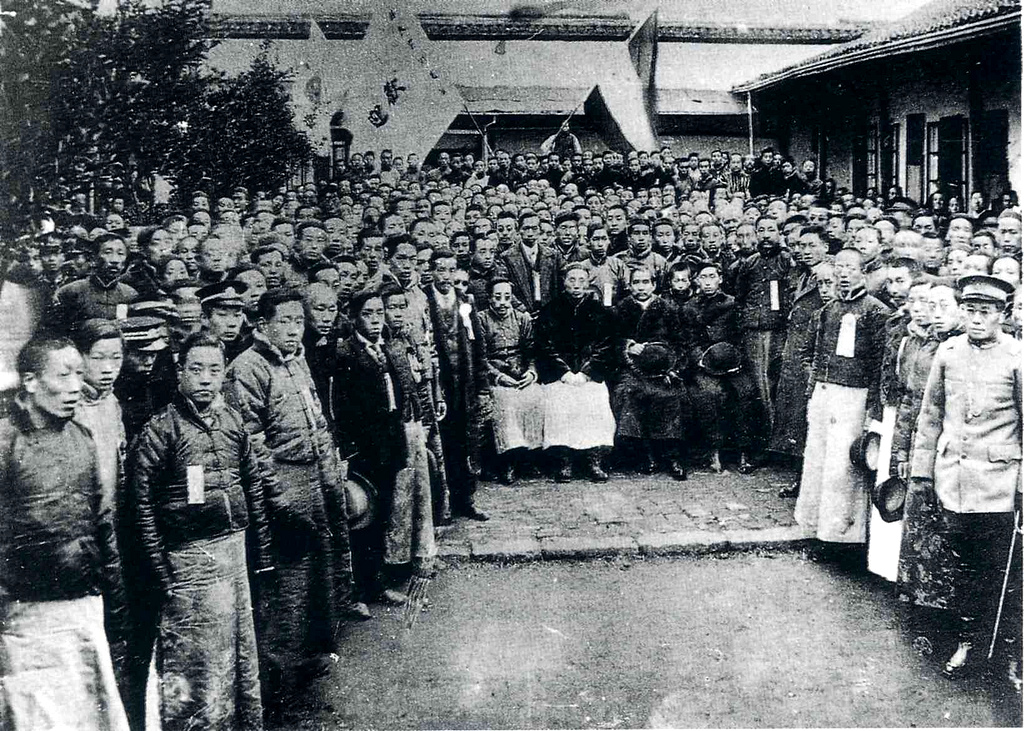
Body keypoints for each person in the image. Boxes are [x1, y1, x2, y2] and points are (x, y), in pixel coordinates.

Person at [225, 287, 367, 707]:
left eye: (298, 321)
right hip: (283, 482)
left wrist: (330, 470)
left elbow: (317, 421)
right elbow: (252, 441)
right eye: (284, 321)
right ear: (262, 324)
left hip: (315, 477)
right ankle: (277, 679)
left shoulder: (297, 361)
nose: (293, 329)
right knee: (288, 580)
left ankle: (307, 659)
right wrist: (277, 495)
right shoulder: (247, 368)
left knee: (319, 572)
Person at [128, 333, 275, 728]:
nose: (206, 379)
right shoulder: (161, 430)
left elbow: (253, 486)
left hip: (234, 554)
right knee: (197, 661)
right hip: (189, 561)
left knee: (238, 654)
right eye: (196, 369)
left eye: (214, 369)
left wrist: (262, 553)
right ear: (180, 372)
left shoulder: (232, 421)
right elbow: (141, 507)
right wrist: (161, 573)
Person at [0, 337, 129, 730]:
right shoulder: (5, 443)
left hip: (82, 606)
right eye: (63, 375)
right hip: (25, 617)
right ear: (31, 381)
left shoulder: (82, 438)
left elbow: (101, 522)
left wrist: (115, 600)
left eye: (79, 374)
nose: (76, 386)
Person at [909, 274, 1021, 683]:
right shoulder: (949, 351)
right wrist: (922, 472)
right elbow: (931, 416)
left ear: (1002, 315)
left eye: (985, 312)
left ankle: (1010, 650)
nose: (976, 319)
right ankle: (968, 641)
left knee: (1005, 572)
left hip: (999, 485)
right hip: (953, 482)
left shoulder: (1017, 357)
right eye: (970, 310)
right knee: (964, 568)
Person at [333, 290, 435, 605]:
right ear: (354, 318)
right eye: (368, 314)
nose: (376, 320)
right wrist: (349, 450)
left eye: (379, 313)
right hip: (363, 449)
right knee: (362, 517)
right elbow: (341, 407)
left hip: (390, 444)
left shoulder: (388, 349)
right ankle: (358, 591)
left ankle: (377, 583)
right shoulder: (346, 354)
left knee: (383, 515)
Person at [795, 248, 891, 550]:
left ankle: (844, 536)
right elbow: (813, 354)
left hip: (854, 397)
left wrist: (873, 408)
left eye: (850, 268)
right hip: (825, 394)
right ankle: (818, 529)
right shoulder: (827, 309)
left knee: (844, 467)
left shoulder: (876, 311)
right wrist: (813, 390)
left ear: (863, 272)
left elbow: (879, 365)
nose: (844, 274)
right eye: (839, 267)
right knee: (818, 461)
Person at [534, 263, 617, 482]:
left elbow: (605, 346)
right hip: (559, 375)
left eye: (581, 280)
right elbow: (544, 346)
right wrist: (564, 373)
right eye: (572, 280)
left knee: (596, 399)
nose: (577, 285)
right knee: (558, 401)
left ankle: (594, 459)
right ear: (563, 282)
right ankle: (564, 460)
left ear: (588, 283)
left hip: (590, 375)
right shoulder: (550, 310)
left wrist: (587, 372)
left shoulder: (600, 312)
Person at [424, 249, 491, 522]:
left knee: (467, 443)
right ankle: (444, 503)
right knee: (443, 445)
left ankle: (467, 500)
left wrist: (482, 387)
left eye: (451, 270)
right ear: (431, 271)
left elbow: (478, 346)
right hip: (438, 385)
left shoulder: (465, 301)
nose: (446, 276)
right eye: (441, 269)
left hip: (464, 383)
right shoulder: (424, 301)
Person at [682, 260, 766, 473]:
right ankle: (714, 451)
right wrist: (701, 360)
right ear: (696, 281)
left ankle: (744, 451)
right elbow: (688, 341)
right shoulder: (689, 307)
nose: (708, 282)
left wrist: (735, 359)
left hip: (731, 363)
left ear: (720, 279)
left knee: (746, 392)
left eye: (712, 277)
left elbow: (741, 336)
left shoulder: (732, 304)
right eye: (703, 277)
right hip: (704, 364)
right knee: (709, 394)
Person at [613, 266, 689, 480]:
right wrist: (628, 346)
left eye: (645, 282)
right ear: (629, 286)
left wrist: (673, 368)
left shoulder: (667, 308)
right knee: (628, 393)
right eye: (636, 282)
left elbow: (681, 343)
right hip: (632, 369)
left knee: (671, 396)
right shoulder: (621, 309)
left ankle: (671, 455)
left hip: (663, 369)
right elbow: (610, 340)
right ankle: (645, 454)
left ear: (654, 285)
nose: (641, 287)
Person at [478, 278, 544, 484]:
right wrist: (499, 376)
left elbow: (532, 352)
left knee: (536, 397)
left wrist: (531, 372)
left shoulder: (522, 319)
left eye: (507, 297)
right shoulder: (481, 319)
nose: (503, 302)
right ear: (489, 298)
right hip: (496, 377)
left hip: (520, 375)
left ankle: (529, 457)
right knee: (505, 403)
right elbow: (480, 358)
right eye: (498, 297)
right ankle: (508, 461)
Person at [733, 216, 792, 426]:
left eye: (770, 230)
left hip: (778, 331)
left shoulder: (787, 261)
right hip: (753, 331)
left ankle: (779, 429)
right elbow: (740, 297)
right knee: (757, 383)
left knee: (776, 380)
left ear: (779, 233)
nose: (766, 235)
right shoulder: (750, 263)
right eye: (761, 230)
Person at [197, 279, 251, 363]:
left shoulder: (248, 350)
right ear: (204, 318)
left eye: (237, 315)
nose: (232, 324)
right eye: (222, 315)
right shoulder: (194, 351)